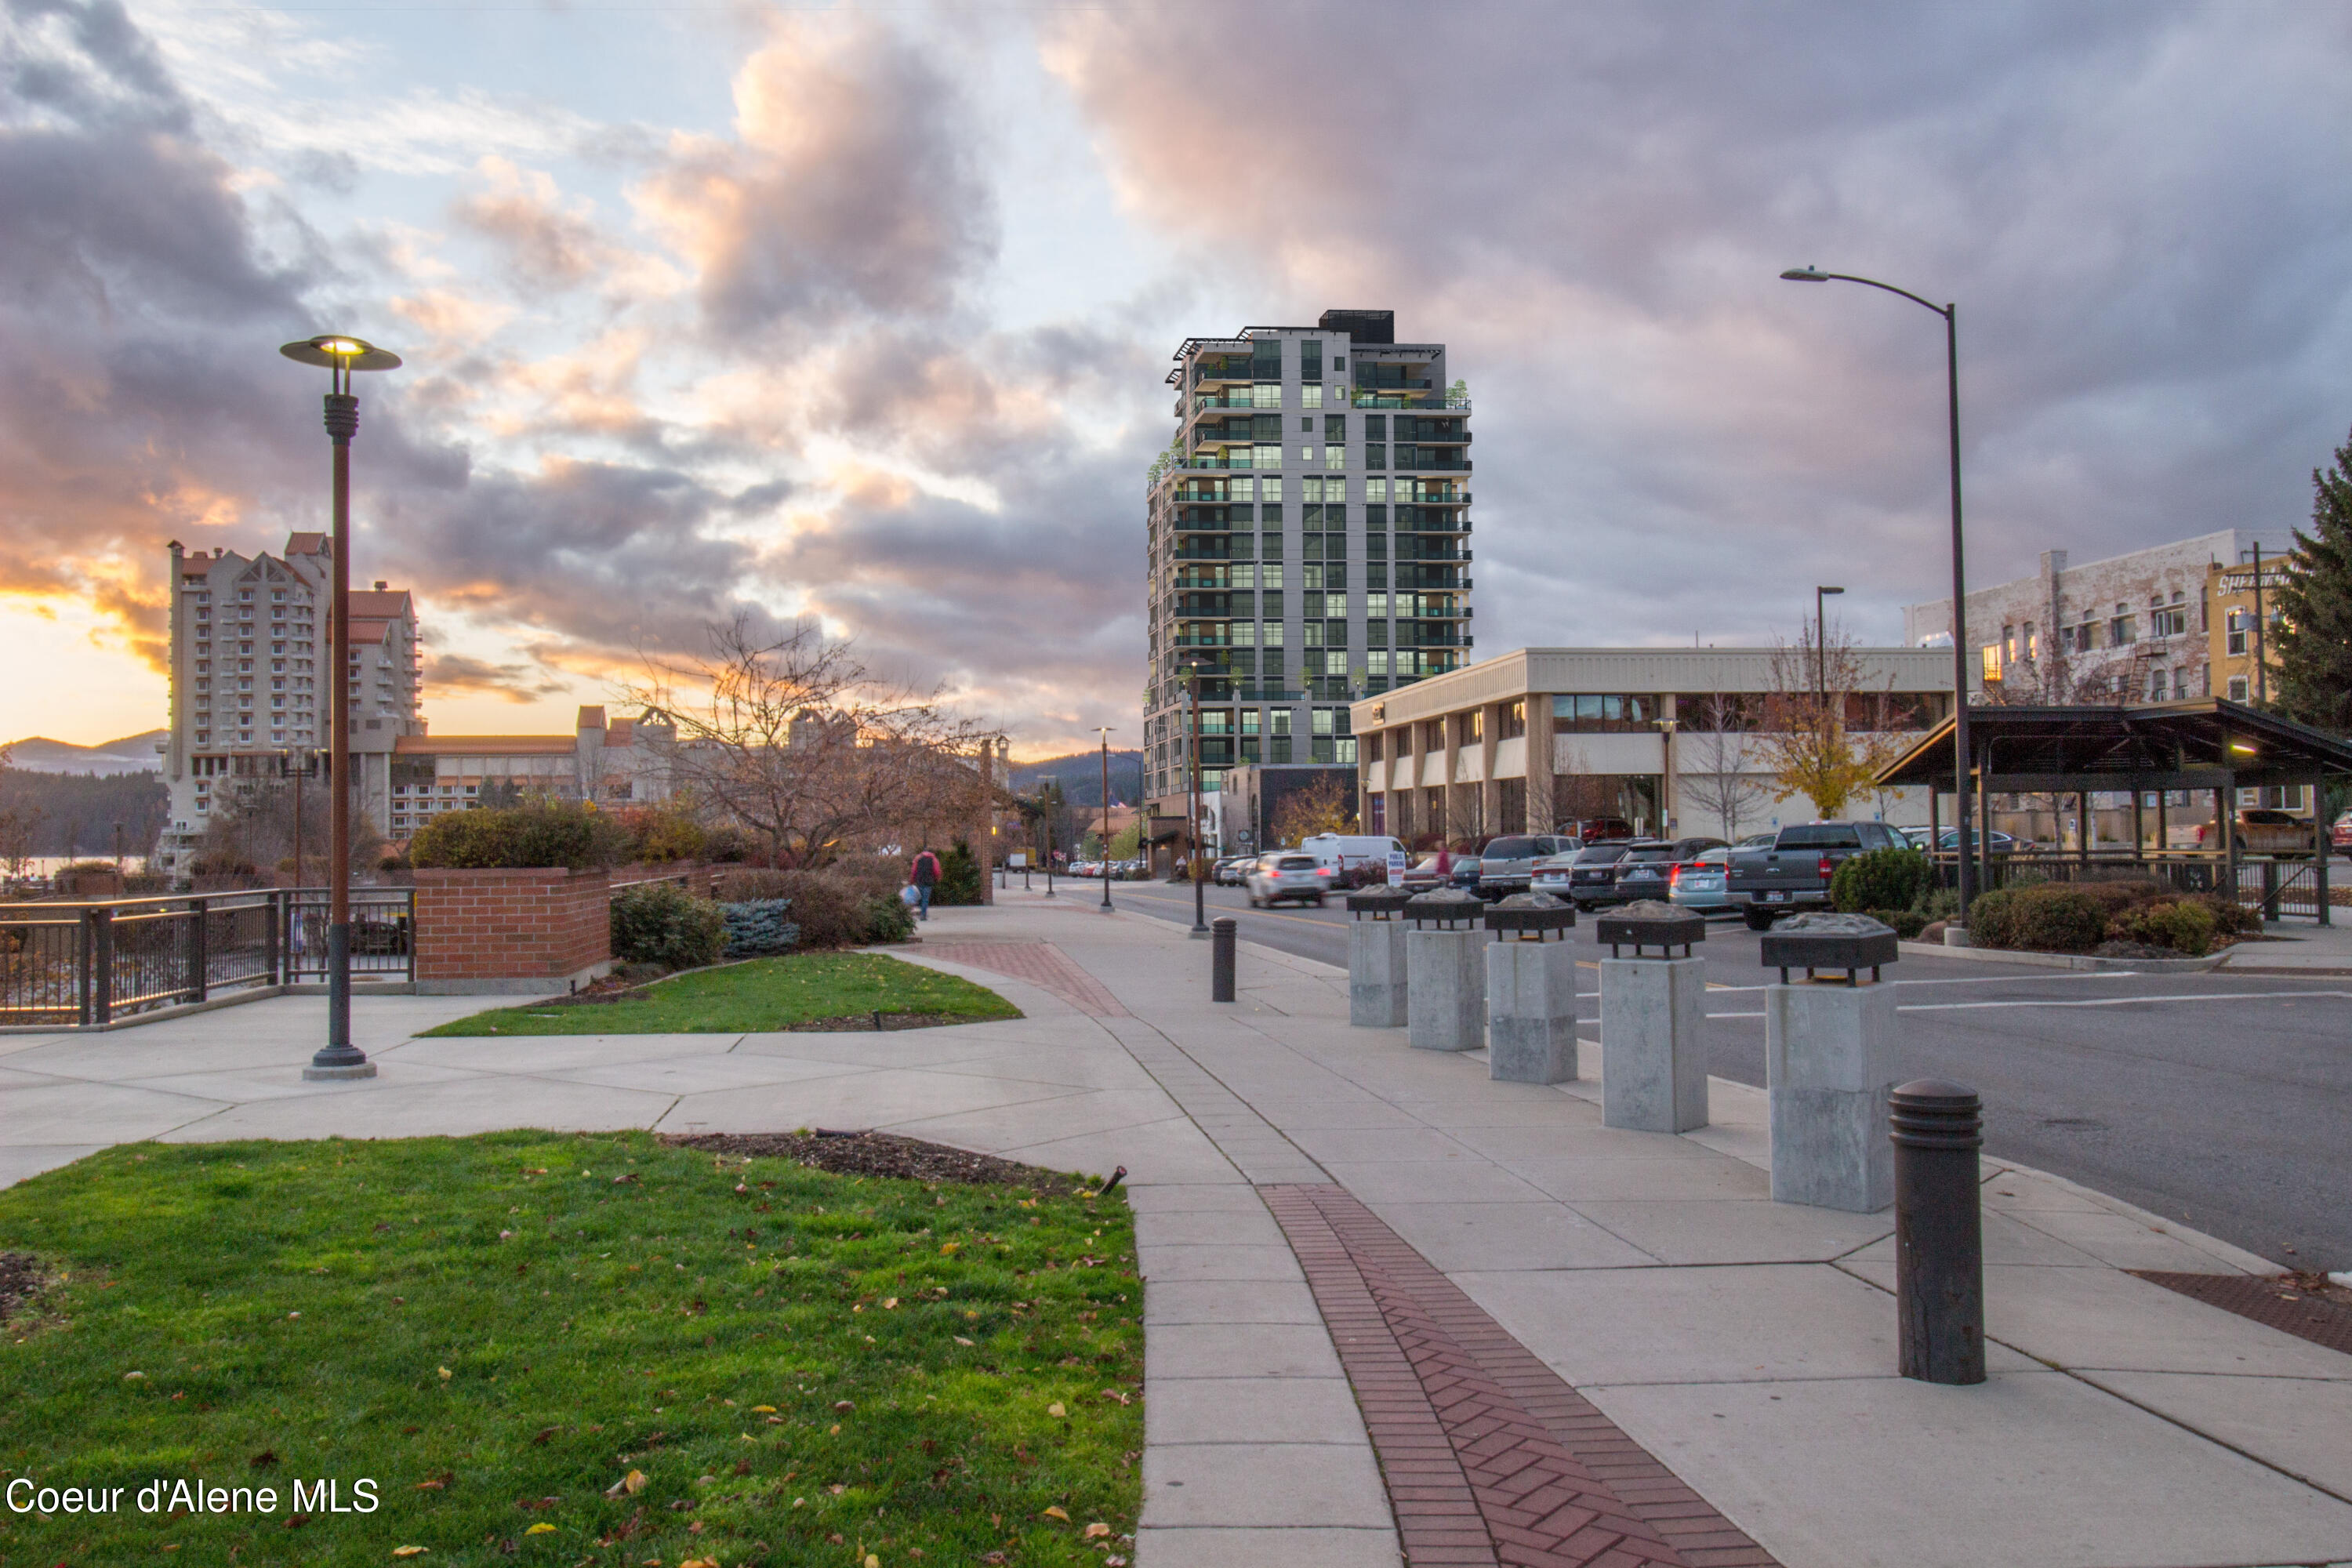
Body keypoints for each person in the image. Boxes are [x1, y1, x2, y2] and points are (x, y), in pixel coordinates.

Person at [909, 845, 942, 921]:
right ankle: (923, 915)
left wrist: (912, 880)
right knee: (925, 898)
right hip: (929, 880)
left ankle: (922, 913)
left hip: (919, 880)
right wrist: (938, 878)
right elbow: (936, 870)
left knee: (920, 897)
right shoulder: (934, 859)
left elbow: (914, 870)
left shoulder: (918, 859)